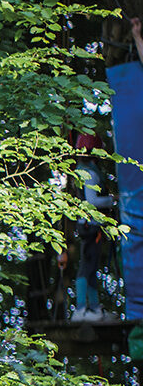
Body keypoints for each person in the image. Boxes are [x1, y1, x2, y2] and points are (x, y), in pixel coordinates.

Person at [72, 134, 115, 321]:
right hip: (91, 225)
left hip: (87, 225)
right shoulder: (89, 173)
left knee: (90, 267)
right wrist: (113, 200)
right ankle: (81, 309)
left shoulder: (82, 170)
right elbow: (92, 201)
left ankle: (94, 309)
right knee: (87, 267)